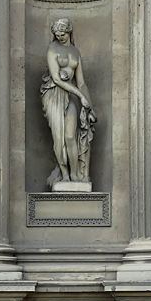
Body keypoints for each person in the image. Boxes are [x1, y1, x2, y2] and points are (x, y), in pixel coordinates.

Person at [41, 17, 97, 188]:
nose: (60, 37)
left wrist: (89, 105)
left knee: (71, 136)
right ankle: (64, 175)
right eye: (57, 34)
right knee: (59, 138)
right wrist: (80, 96)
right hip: (54, 94)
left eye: (63, 34)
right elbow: (57, 79)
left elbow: (81, 82)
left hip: (72, 94)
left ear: (69, 31)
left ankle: (75, 175)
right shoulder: (52, 49)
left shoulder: (75, 52)